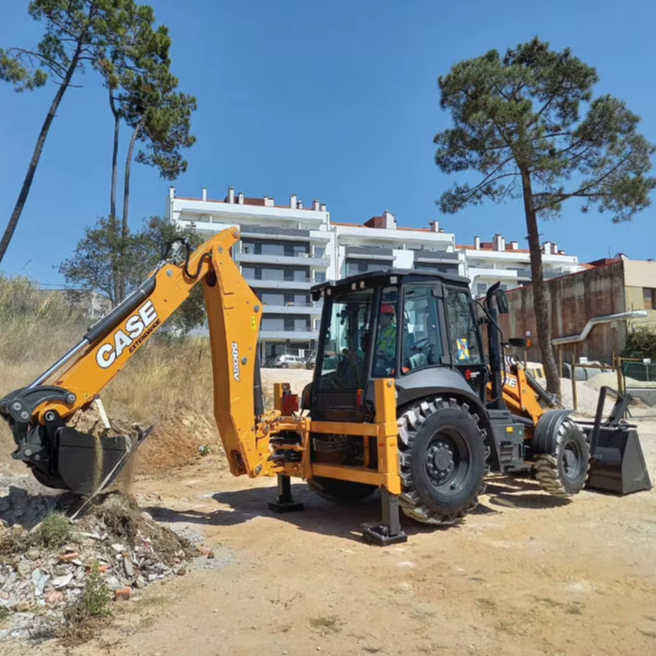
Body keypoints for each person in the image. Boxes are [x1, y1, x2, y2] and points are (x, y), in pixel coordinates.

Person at [374, 303, 397, 375]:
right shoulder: (376, 331)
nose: (380, 319)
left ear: (389, 317)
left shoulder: (396, 331)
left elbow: (395, 353)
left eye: (382, 316)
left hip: (388, 365)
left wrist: (383, 353)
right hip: (375, 362)